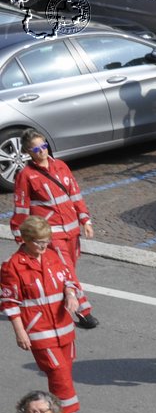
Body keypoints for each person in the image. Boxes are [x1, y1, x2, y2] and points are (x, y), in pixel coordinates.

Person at [3, 217, 85, 413]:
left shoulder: (52, 255)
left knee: (64, 370)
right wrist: (20, 333)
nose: (44, 245)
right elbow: (10, 303)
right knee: (58, 371)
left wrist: (70, 295)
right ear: (27, 240)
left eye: (46, 241)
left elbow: (68, 279)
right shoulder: (13, 266)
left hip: (63, 325)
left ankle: (54, 411)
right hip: (39, 330)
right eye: (39, 241)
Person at [11, 131, 95, 328]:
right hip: (50, 234)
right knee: (67, 271)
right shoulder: (26, 176)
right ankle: (84, 311)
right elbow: (21, 208)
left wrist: (85, 220)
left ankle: (51, 300)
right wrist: (20, 237)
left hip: (72, 231)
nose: (41, 152)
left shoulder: (61, 166)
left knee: (66, 271)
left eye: (44, 146)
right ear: (28, 152)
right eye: (36, 149)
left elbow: (74, 194)